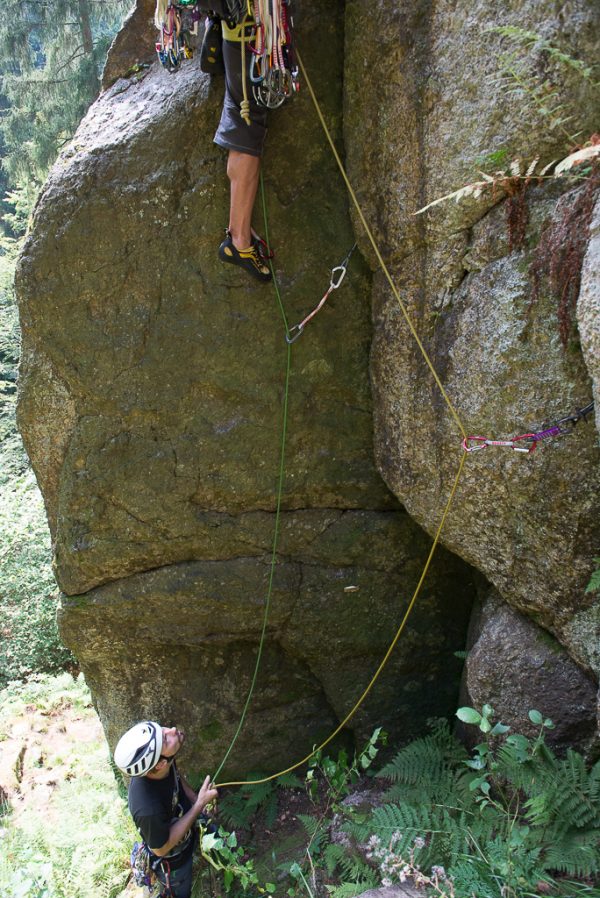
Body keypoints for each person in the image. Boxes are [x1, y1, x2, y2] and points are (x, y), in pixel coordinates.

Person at [114, 720, 218, 898]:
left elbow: (175, 776)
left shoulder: (161, 762)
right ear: (159, 765)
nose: (173, 731)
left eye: (163, 730)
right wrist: (199, 804)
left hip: (186, 824)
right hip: (173, 860)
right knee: (180, 891)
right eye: (165, 739)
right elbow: (160, 849)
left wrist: (195, 801)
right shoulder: (147, 809)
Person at [212, 11, 273, 282]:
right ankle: (239, 240)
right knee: (248, 125)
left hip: (240, 32)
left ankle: (238, 234)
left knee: (242, 119)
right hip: (246, 33)